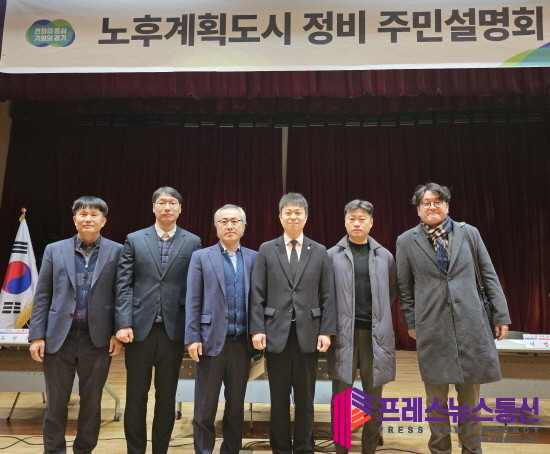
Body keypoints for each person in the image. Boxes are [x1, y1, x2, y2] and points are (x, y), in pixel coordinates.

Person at [396, 182, 511, 454]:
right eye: (426, 203)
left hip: (471, 325)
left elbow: (489, 274)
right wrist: (411, 323)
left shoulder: (469, 233)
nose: (432, 207)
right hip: (432, 328)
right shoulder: (406, 241)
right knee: (436, 403)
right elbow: (404, 288)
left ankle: (471, 449)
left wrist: (501, 314)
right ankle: (440, 450)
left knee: (470, 402)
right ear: (418, 209)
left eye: (438, 201)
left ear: (447, 205)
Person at [29, 196, 123, 454]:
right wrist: (37, 336)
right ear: (74, 219)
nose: (88, 218)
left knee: (92, 403)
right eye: (83, 214)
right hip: (59, 338)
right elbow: (43, 295)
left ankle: (84, 450)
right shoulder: (54, 250)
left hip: (98, 339)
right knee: (55, 403)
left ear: (104, 221)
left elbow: (122, 294)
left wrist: (117, 332)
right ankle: (53, 450)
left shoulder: (117, 251)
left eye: (94, 214)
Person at [115, 186, 201, 454]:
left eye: (172, 203)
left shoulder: (192, 242)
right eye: (162, 202)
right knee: (135, 395)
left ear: (180, 209)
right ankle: (135, 450)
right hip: (138, 330)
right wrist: (123, 322)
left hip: (173, 331)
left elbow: (194, 289)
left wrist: (193, 331)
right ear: (153, 207)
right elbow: (123, 284)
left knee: (167, 397)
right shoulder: (134, 239)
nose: (167, 207)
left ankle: (160, 449)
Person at [250, 192, 336, 454]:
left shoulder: (319, 251)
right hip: (275, 333)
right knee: (278, 398)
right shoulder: (267, 249)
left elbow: (328, 295)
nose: (293, 217)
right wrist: (257, 328)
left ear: (306, 217)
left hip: (308, 334)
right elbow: (257, 293)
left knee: (305, 398)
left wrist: (326, 331)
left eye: (298, 212)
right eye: (288, 212)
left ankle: (304, 448)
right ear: (280, 217)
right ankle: (280, 448)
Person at [185, 204, 257, 454]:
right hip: (209, 342)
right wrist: (192, 337)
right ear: (216, 227)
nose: (230, 226)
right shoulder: (201, 257)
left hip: (241, 344)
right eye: (224, 221)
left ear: (243, 227)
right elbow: (193, 299)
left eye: (235, 221)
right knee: (205, 407)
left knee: (235, 407)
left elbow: (259, 300)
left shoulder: (255, 258)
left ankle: (231, 450)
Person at [327, 200, 397, 453]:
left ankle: (370, 447)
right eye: (352, 218)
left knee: (373, 396)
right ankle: (341, 448)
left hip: (374, 335)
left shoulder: (384, 256)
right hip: (343, 335)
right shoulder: (331, 256)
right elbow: (326, 296)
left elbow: (391, 292)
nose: (357, 223)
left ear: (371, 222)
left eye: (362, 218)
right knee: (341, 397)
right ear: (345, 222)